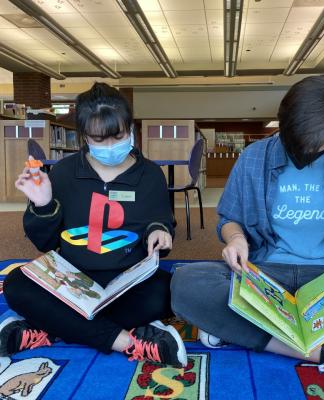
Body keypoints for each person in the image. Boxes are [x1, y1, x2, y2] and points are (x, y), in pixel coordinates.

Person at [171, 75, 324, 388]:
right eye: (295, 139)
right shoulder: (255, 156)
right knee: (185, 283)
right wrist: (236, 239)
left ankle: (239, 328)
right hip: (266, 274)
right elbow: (229, 218)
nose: (303, 148)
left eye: (315, 140)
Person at [2, 82, 187, 368]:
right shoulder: (62, 173)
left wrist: (159, 232)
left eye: (119, 136)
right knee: (16, 284)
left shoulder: (150, 174)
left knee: (173, 290)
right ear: (84, 137)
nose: (111, 147)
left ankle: (50, 327)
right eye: (100, 140)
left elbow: (160, 221)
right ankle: (127, 341)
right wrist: (43, 205)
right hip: (71, 279)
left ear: (131, 129)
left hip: (126, 281)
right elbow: (45, 243)